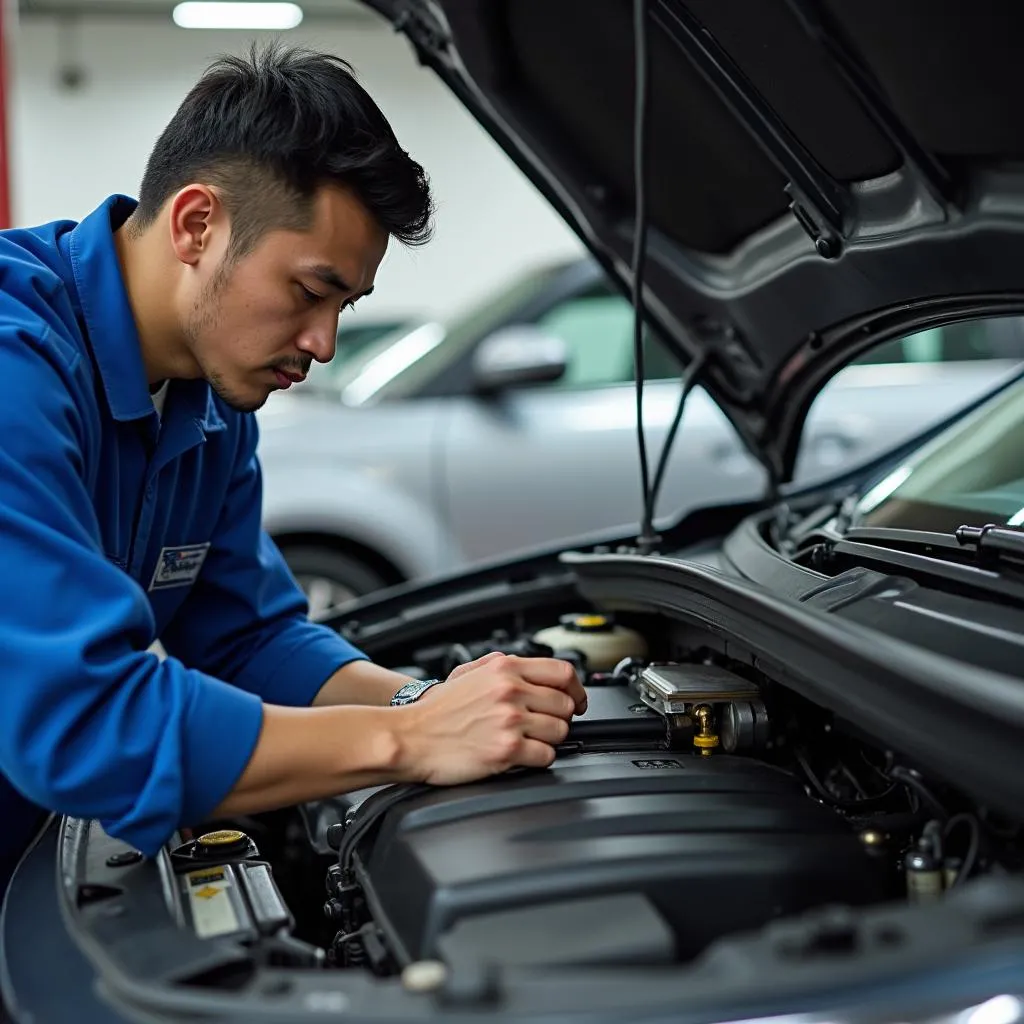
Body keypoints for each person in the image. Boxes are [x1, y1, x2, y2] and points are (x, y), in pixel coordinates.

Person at [0, 43, 587, 904]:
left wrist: (432, 701)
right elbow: (90, 724)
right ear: (197, 224)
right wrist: (412, 740)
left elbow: (249, 638)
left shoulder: (208, 398)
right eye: (310, 290)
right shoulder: (16, 367)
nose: (324, 344)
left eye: (344, 306)